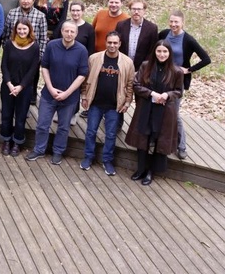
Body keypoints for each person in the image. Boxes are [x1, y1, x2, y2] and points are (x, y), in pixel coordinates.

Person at [26, 20, 88, 165]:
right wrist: (50, 88)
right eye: (66, 31)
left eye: (72, 31)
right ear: (61, 31)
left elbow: (82, 75)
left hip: (69, 97)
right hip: (49, 94)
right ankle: (39, 149)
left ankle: (58, 151)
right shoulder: (52, 45)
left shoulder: (81, 50)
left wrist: (67, 93)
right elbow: (44, 67)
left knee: (63, 127)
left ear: (76, 33)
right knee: (42, 124)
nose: (69, 34)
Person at [125, 40, 184, 186]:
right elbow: (136, 85)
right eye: (159, 51)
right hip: (146, 108)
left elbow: (178, 91)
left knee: (159, 141)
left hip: (165, 111)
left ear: (169, 53)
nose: (161, 54)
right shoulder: (146, 66)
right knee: (142, 139)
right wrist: (151, 94)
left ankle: (151, 171)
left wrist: (166, 95)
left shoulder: (176, 71)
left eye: (165, 51)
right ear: (154, 52)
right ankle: (141, 169)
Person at [79, 31, 135, 176]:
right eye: (109, 42)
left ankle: (107, 160)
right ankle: (88, 157)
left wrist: (127, 102)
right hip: (95, 103)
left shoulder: (127, 62)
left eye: (115, 43)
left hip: (114, 105)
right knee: (91, 131)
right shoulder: (94, 58)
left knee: (110, 134)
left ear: (120, 44)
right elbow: (86, 79)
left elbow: (130, 84)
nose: (112, 45)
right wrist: (84, 96)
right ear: (105, 42)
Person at [159, 10, 211, 160]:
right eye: (171, 21)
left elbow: (206, 59)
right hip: (161, 78)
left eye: (176, 22)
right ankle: (157, 141)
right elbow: (155, 51)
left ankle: (181, 146)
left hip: (177, 80)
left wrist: (188, 70)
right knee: (159, 110)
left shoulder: (188, 39)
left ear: (182, 23)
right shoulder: (163, 34)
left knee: (174, 113)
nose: (173, 24)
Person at [0, 19, 40, 157]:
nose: (22, 31)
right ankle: (6, 140)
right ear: (15, 29)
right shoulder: (9, 44)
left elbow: (33, 69)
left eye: (24, 29)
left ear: (29, 30)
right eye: (19, 29)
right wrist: (9, 84)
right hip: (8, 86)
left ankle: (17, 142)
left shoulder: (34, 46)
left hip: (24, 88)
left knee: (21, 117)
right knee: (6, 115)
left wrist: (21, 86)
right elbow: (4, 65)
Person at [54, 0, 95, 117]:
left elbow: (91, 49)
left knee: (75, 88)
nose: (75, 13)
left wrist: (86, 66)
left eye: (78, 10)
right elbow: (56, 41)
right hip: (62, 61)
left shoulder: (89, 28)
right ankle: (58, 110)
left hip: (79, 64)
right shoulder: (64, 25)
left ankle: (72, 113)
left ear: (82, 11)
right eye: (73, 10)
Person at [116, 0, 158, 71]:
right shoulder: (121, 25)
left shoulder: (152, 28)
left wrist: (145, 68)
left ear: (144, 11)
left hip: (142, 69)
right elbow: (117, 45)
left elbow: (152, 50)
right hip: (122, 66)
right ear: (130, 10)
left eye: (139, 9)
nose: (136, 12)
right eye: (134, 9)